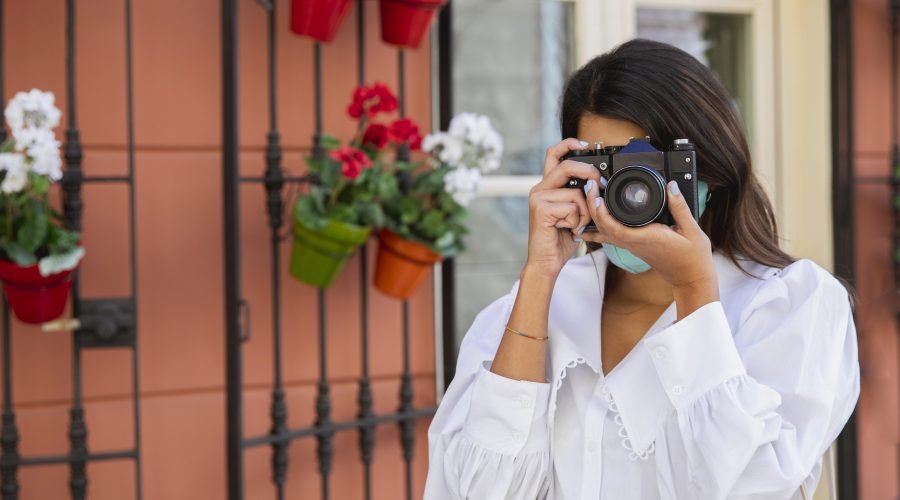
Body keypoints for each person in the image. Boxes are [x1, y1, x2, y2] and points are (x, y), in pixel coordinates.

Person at [423, 39, 859, 500]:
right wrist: (539, 275)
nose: (628, 191)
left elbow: (753, 487)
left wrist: (693, 289)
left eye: (647, 164)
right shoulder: (530, 308)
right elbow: (476, 492)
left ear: (709, 167)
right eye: (604, 166)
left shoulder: (792, 305)